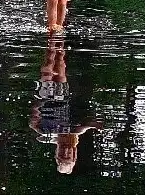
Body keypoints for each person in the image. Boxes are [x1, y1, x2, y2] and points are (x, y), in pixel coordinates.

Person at [29, 37, 100, 174]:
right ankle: (59, 38)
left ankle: (51, 40)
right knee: (60, 64)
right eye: (68, 155)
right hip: (62, 96)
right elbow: (87, 125)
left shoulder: (46, 134)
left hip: (46, 97)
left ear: (57, 154)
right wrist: (95, 125)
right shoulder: (74, 132)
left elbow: (33, 122)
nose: (65, 151)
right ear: (74, 153)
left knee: (48, 68)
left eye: (62, 155)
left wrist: (37, 107)